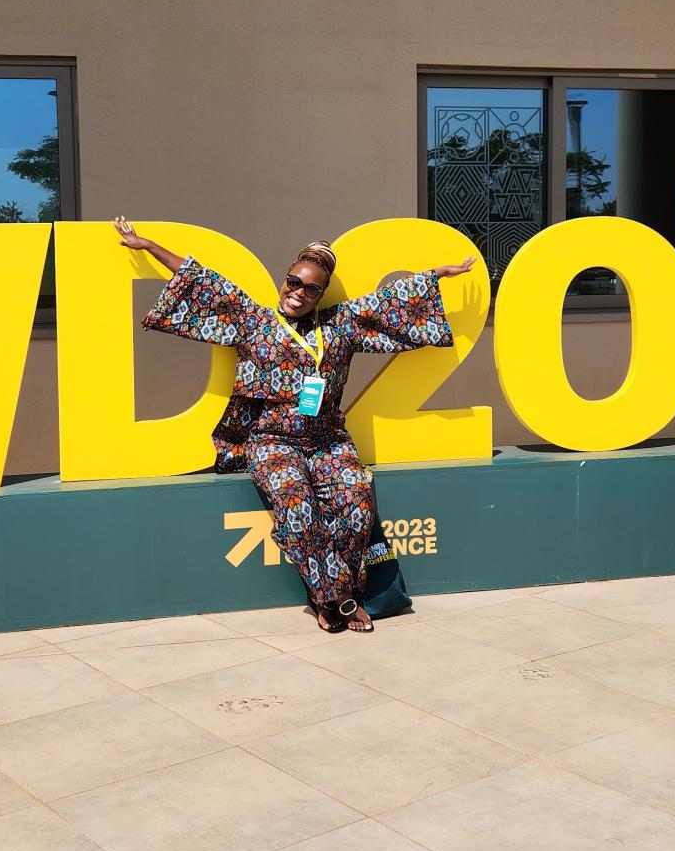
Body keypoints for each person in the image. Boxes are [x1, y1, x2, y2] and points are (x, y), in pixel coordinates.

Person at [116, 216, 475, 633]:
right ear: (285, 279)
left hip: (328, 439)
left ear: (322, 293)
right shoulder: (254, 321)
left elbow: (391, 299)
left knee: (358, 503)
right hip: (271, 441)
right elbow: (204, 280)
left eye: (311, 288)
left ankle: (325, 595)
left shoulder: (341, 324)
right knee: (296, 505)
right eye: (293, 282)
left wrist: (437, 275)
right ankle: (337, 600)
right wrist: (149, 246)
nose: (298, 293)